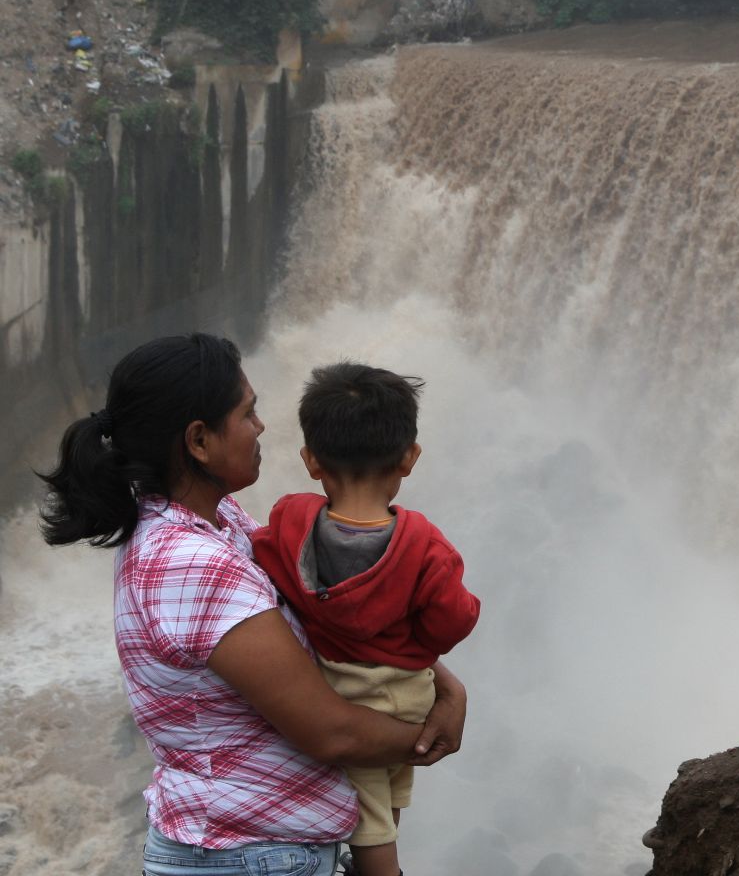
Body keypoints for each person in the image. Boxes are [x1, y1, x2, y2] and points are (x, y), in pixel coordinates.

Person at [37, 333, 467, 876]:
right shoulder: (189, 564)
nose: (262, 427)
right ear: (198, 441)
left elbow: (332, 611)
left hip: (250, 851)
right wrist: (430, 735)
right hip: (243, 856)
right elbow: (329, 731)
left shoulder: (217, 521)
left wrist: (441, 680)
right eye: (248, 413)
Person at [252, 363, 480, 876]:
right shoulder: (426, 545)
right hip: (411, 696)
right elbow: (453, 624)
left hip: (347, 695)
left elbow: (261, 565)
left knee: (368, 816)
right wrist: (417, 641)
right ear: (409, 458)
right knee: (389, 793)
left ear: (311, 461)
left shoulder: (290, 521)